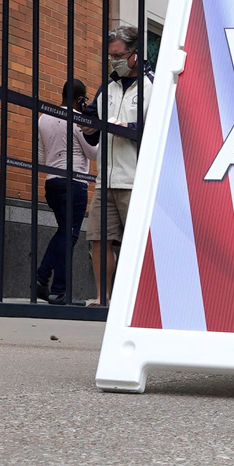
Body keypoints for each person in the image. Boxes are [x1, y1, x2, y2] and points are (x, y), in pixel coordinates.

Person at [88, 25, 148, 306]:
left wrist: (129, 127)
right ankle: (104, 298)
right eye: (111, 57)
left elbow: (160, 126)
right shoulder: (107, 87)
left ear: (135, 54)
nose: (115, 62)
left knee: (139, 244)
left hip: (136, 179)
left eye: (120, 56)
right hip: (105, 179)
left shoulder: (152, 84)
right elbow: (92, 119)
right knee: (99, 240)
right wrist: (87, 127)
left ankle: (138, 302)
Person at [34, 77, 98, 303]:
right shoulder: (78, 119)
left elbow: (41, 158)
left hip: (52, 182)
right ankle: (59, 290)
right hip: (74, 182)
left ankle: (41, 280)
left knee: (63, 231)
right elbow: (93, 153)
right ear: (80, 100)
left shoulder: (43, 118)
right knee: (69, 234)